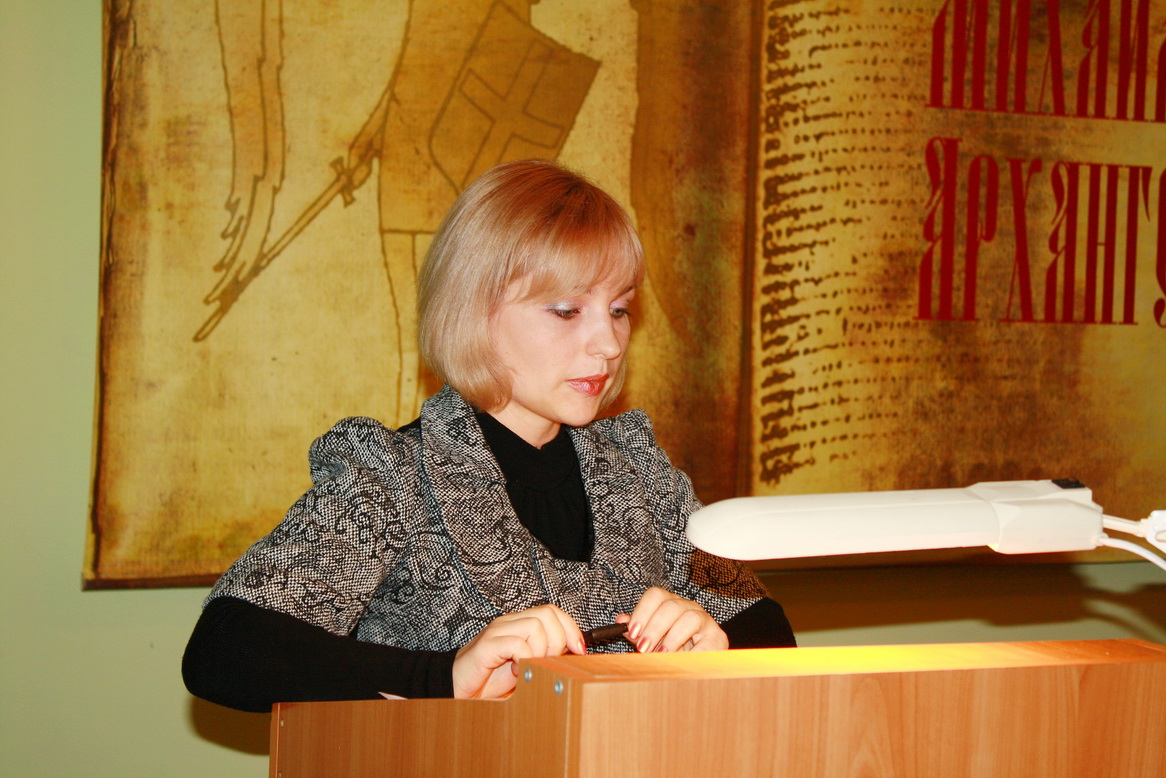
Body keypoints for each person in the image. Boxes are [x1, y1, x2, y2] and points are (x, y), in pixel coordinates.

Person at [182, 159, 795, 712]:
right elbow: (224, 648)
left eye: (619, 310)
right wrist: (446, 675)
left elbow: (769, 631)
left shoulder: (640, 471)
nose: (609, 345)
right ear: (474, 309)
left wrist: (715, 643)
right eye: (567, 311)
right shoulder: (392, 476)